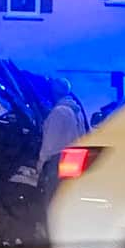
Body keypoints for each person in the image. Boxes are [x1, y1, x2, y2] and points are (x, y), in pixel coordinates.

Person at [36, 77, 87, 209]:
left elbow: (50, 142)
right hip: (75, 157)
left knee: (54, 198)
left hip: (59, 160)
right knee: (69, 197)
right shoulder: (77, 111)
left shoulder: (59, 112)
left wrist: (41, 163)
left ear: (54, 92)